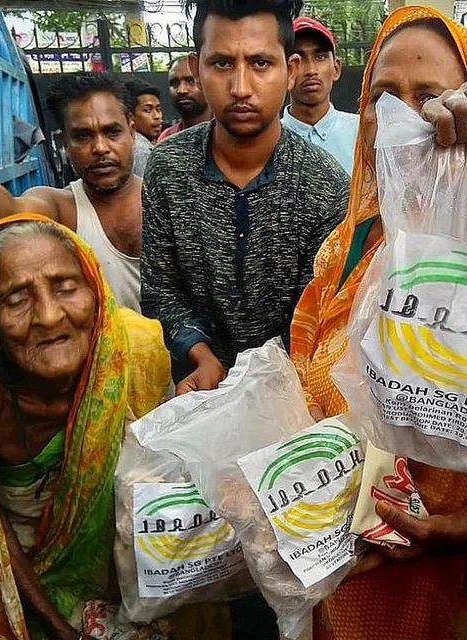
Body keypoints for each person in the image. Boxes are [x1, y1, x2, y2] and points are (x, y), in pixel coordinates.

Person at [291, 6, 467, 639]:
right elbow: (305, 374)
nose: (401, 116)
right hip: (338, 562)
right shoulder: (345, 243)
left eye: (430, 96)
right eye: (383, 96)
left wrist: (465, 524)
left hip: (453, 571)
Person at [0, 215, 173, 639]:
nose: (47, 316)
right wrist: (59, 630)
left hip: (134, 566)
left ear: (97, 295)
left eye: (65, 288)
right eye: (17, 299)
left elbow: (163, 484)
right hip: (34, 579)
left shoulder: (135, 353)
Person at [141, 0, 350, 397]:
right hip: (195, 388)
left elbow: (315, 316)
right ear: (197, 68)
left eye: (260, 63)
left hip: (292, 393)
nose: (240, 87)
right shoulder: (168, 167)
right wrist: (200, 355)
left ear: (289, 71)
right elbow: (161, 289)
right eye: (221, 63)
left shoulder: (325, 184)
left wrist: (259, 387)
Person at [0, 73, 144, 312]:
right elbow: (10, 213)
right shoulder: (62, 207)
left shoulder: (164, 198)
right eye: (83, 136)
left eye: (112, 132)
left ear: (132, 132)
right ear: (64, 143)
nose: (100, 148)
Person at [281, 17, 359, 173]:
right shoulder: (266, 142)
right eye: (298, 59)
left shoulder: (362, 134)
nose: (311, 70)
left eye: (320, 57)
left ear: (336, 68)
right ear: (285, 71)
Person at [157, 56, 213, 142]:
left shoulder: (228, 133)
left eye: (191, 81)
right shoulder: (166, 138)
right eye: (174, 83)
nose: (181, 90)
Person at [125, 78, 163, 176]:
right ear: (130, 116)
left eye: (158, 109)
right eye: (147, 110)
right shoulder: (141, 151)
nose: (157, 116)